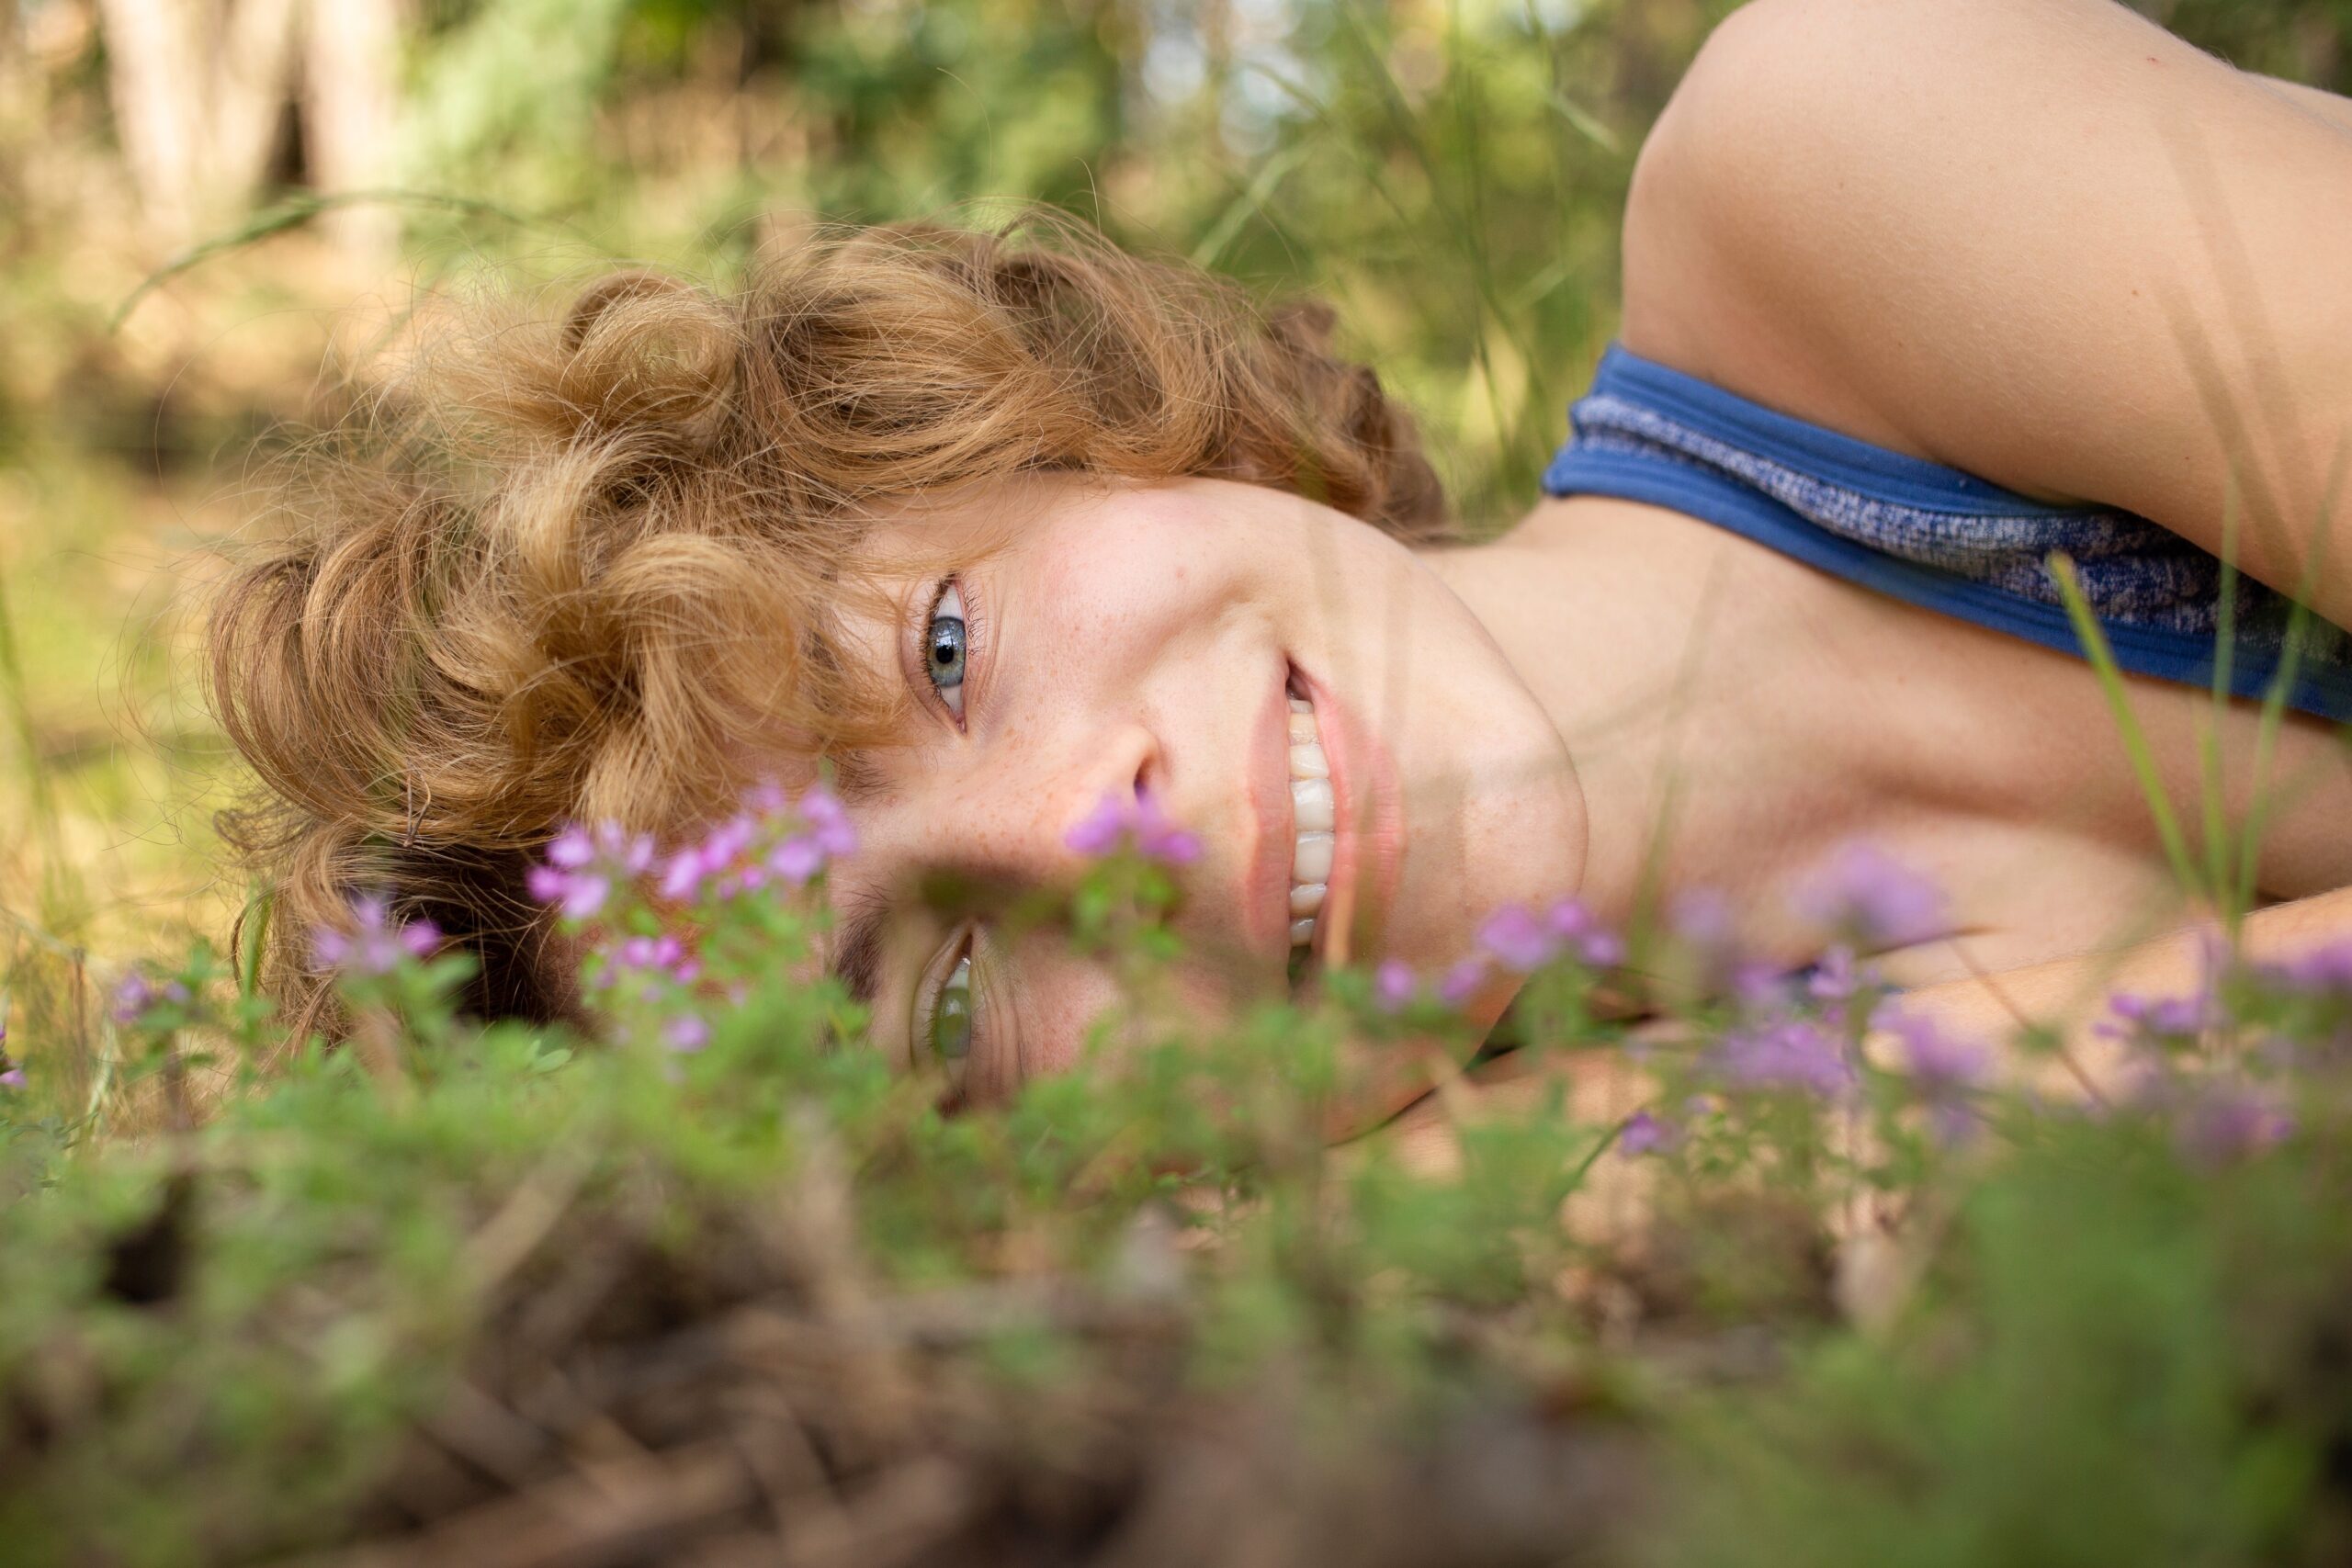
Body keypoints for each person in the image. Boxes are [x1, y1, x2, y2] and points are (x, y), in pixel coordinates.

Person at [210, 0, 2352, 1134]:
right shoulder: (1685, 1235)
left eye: (946, 644)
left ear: (1074, 429)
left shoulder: (1834, 164)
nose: (1085, 836)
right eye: (941, 997)